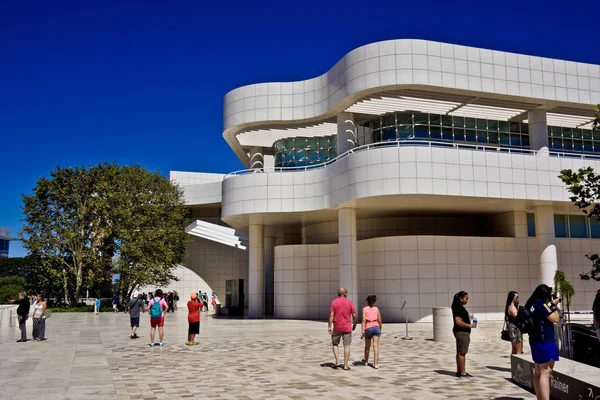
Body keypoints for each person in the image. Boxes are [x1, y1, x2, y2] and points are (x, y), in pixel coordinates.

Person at [525, 284, 561, 400]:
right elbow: (555, 319)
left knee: (539, 372)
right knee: (546, 373)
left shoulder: (530, 304)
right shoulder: (541, 304)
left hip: (535, 341)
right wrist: (554, 306)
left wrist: (550, 305)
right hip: (545, 341)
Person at [328, 287, 357, 370]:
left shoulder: (334, 302)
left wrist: (330, 326)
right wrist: (354, 324)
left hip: (337, 326)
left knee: (335, 344)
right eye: (346, 292)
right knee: (346, 345)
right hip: (347, 327)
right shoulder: (349, 302)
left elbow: (331, 315)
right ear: (344, 293)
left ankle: (337, 362)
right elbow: (354, 316)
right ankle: (345, 365)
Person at [452, 291, 477, 378]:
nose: (467, 301)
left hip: (460, 332)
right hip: (462, 332)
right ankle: (462, 372)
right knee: (462, 352)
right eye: (466, 299)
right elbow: (458, 321)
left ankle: (459, 371)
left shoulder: (457, 306)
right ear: (461, 298)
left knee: (459, 352)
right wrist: (470, 325)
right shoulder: (459, 308)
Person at [361, 295, 382, 369]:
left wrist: (362, 331)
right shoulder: (376, 309)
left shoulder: (364, 309)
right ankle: (376, 363)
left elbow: (363, 320)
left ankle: (366, 361)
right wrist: (380, 328)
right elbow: (379, 320)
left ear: (367, 301)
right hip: (376, 326)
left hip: (368, 327)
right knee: (375, 346)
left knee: (367, 346)